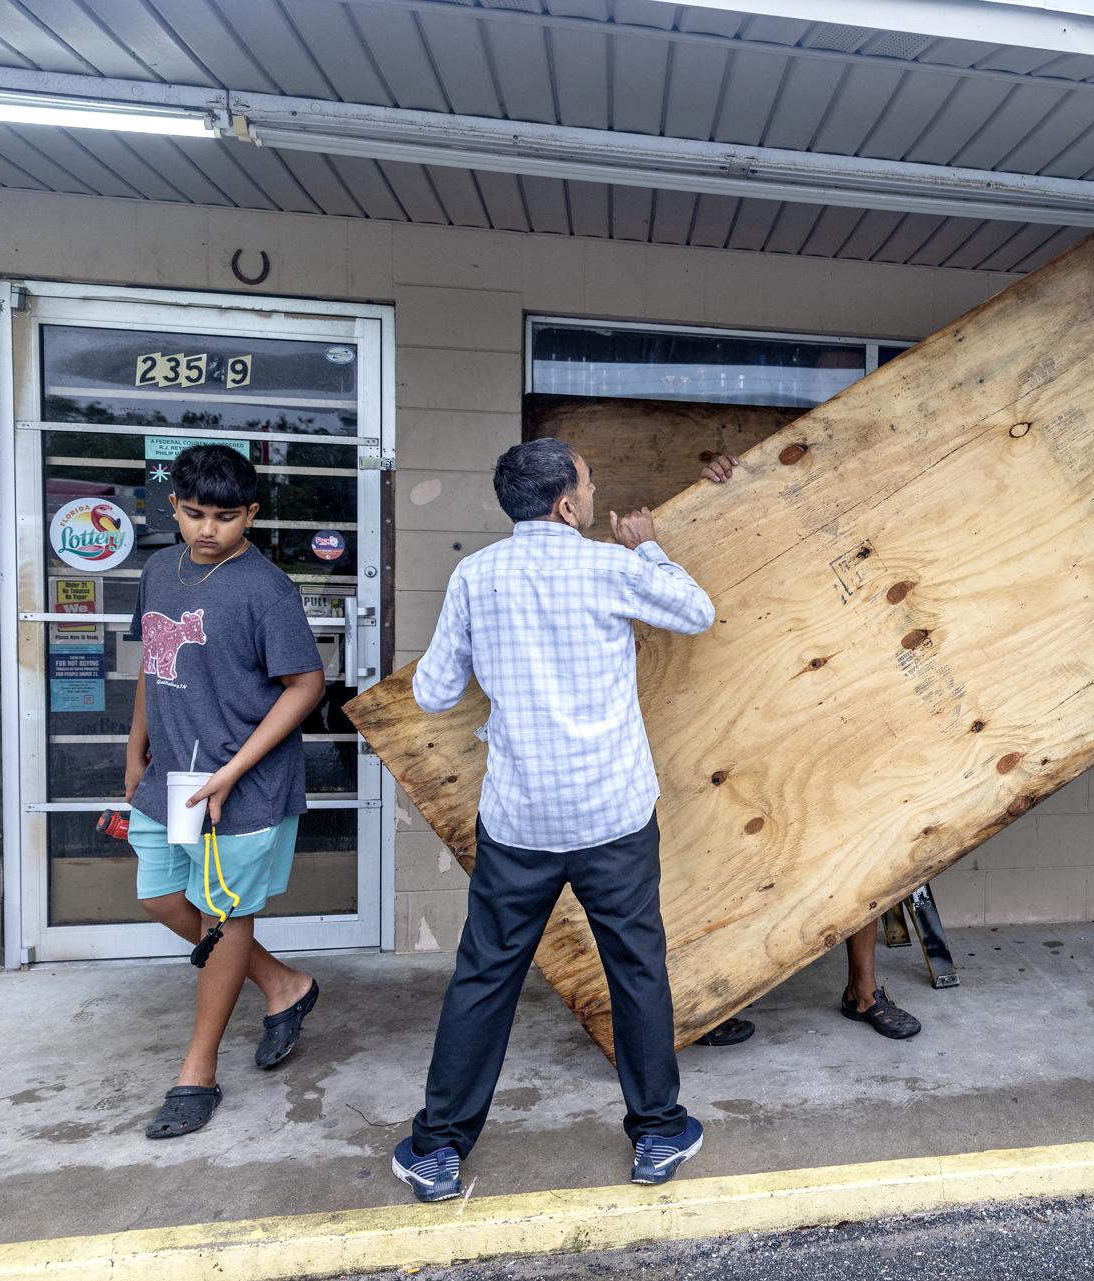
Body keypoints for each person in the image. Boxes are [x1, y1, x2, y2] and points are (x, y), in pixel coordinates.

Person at [393, 439, 714, 1203]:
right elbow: (696, 612)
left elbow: (435, 693)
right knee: (635, 967)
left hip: (521, 816)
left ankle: (439, 1147)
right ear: (567, 505)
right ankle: (658, 1131)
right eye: (589, 483)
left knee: (486, 972)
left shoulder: (476, 574)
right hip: (612, 811)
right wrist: (651, 550)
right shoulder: (611, 566)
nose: (595, 492)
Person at [124, 445, 326, 1140]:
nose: (208, 529)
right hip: (172, 778)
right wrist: (134, 750)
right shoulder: (158, 569)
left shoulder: (264, 587)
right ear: (174, 506)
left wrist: (234, 769)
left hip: (243, 784)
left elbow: (306, 685)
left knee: (222, 917)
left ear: (252, 515)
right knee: (159, 895)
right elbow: (155, 663)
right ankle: (282, 984)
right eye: (195, 513)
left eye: (226, 516)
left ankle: (196, 1071)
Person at [690, 453, 922, 1046]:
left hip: (842, 716)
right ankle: (711, 995)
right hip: (755, 716)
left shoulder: (869, 543)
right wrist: (720, 490)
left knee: (860, 859)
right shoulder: (765, 537)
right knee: (735, 856)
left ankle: (863, 991)